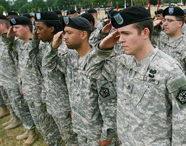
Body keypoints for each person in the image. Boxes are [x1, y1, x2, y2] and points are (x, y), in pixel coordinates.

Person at [86, 5, 186, 145]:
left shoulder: (168, 69)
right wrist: (102, 48)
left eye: (126, 33)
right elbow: (91, 70)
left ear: (145, 33)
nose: (120, 40)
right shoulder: (123, 62)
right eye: (119, 34)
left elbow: (183, 120)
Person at [45, 16, 118, 146]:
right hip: (80, 128)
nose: (65, 37)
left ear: (83, 34)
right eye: (64, 32)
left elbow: (110, 104)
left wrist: (107, 135)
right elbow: (49, 69)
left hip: (97, 133)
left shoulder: (98, 64)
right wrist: (53, 48)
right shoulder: (70, 59)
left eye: (69, 32)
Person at [34, 11, 78, 146]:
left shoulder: (63, 49)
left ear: (52, 28)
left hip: (65, 107)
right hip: (54, 104)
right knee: (65, 138)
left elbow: (73, 81)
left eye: (40, 28)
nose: (36, 33)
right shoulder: (46, 46)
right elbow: (45, 76)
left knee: (73, 141)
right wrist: (45, 97)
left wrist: (73, 107)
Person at [152, 6, 186, 113]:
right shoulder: (160, 38)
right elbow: (141, 39)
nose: (165, 23)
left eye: (170, 21)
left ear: (180, 23)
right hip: (158, 98)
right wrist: (152, 27)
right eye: (164, 20)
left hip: (178, 101)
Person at [4, 16, 38, 146]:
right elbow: (8, 44)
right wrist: (10, 35)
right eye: (13, 27)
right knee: (27, 111)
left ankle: (33, 132)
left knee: (41, 118)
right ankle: (29, 130)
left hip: (37, 89)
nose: (14, 30)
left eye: (17, 27)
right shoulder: (19, 44)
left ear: (27, 28)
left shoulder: (36, 44)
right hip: (26, 86)